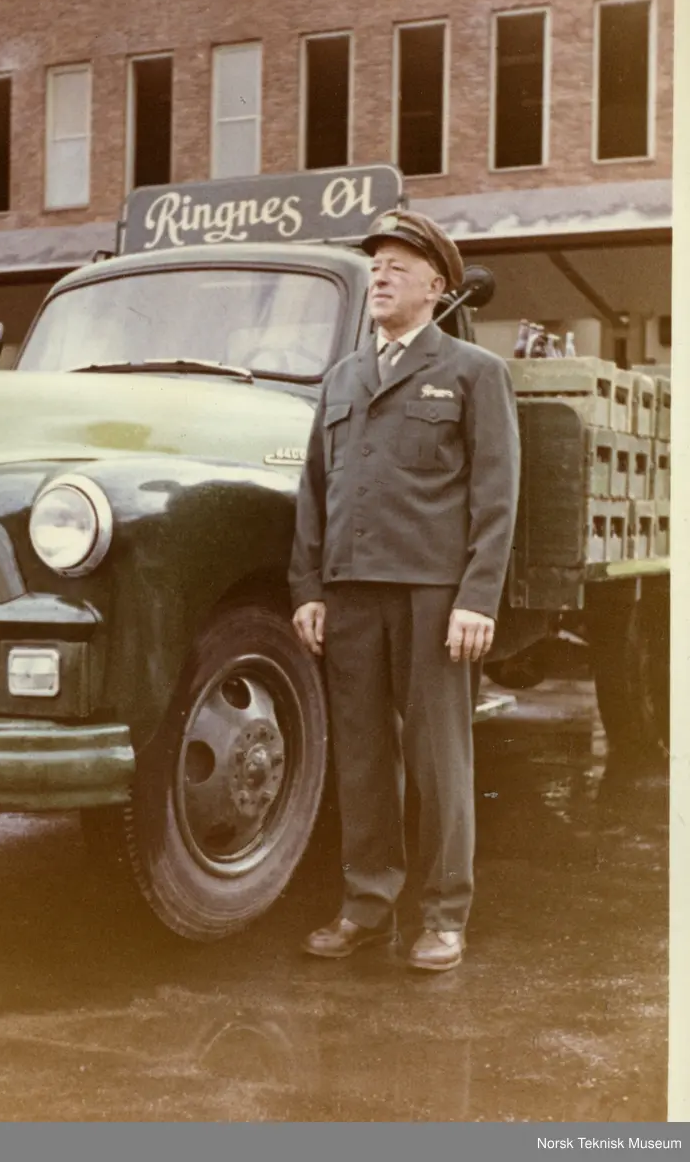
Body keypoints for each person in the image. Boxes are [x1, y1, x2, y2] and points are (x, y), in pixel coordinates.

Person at [289, 208, 520, 971]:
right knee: (360, 759)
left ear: (436, 285)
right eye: (374, 266)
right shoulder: (342, 378)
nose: (379, 277)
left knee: (438, 761)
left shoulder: (473, 373)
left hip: (433, 597)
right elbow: (315, 494)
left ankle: (446, 914)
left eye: (396, 266)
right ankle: (367, 905)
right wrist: (308, 588)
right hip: (351, 595)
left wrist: (477, 598)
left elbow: (496, 495)